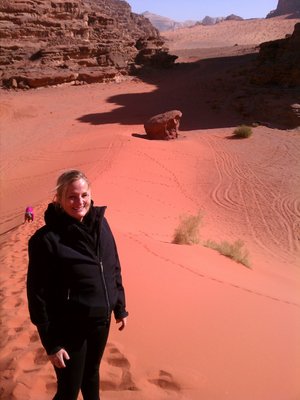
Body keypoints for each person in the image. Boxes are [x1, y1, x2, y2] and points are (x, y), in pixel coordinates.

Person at [27, 170, 128, 400]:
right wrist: (51, 343)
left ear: (91, 195)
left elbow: (113, 266)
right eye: (72, 196)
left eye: (84, 195)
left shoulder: (102, 224)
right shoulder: (46, 240)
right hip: (69, 327)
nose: (79, 202)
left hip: (100, 322)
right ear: (59, 199)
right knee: (69, 390)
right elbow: (37, 295)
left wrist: (119, 306)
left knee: (91, 375)